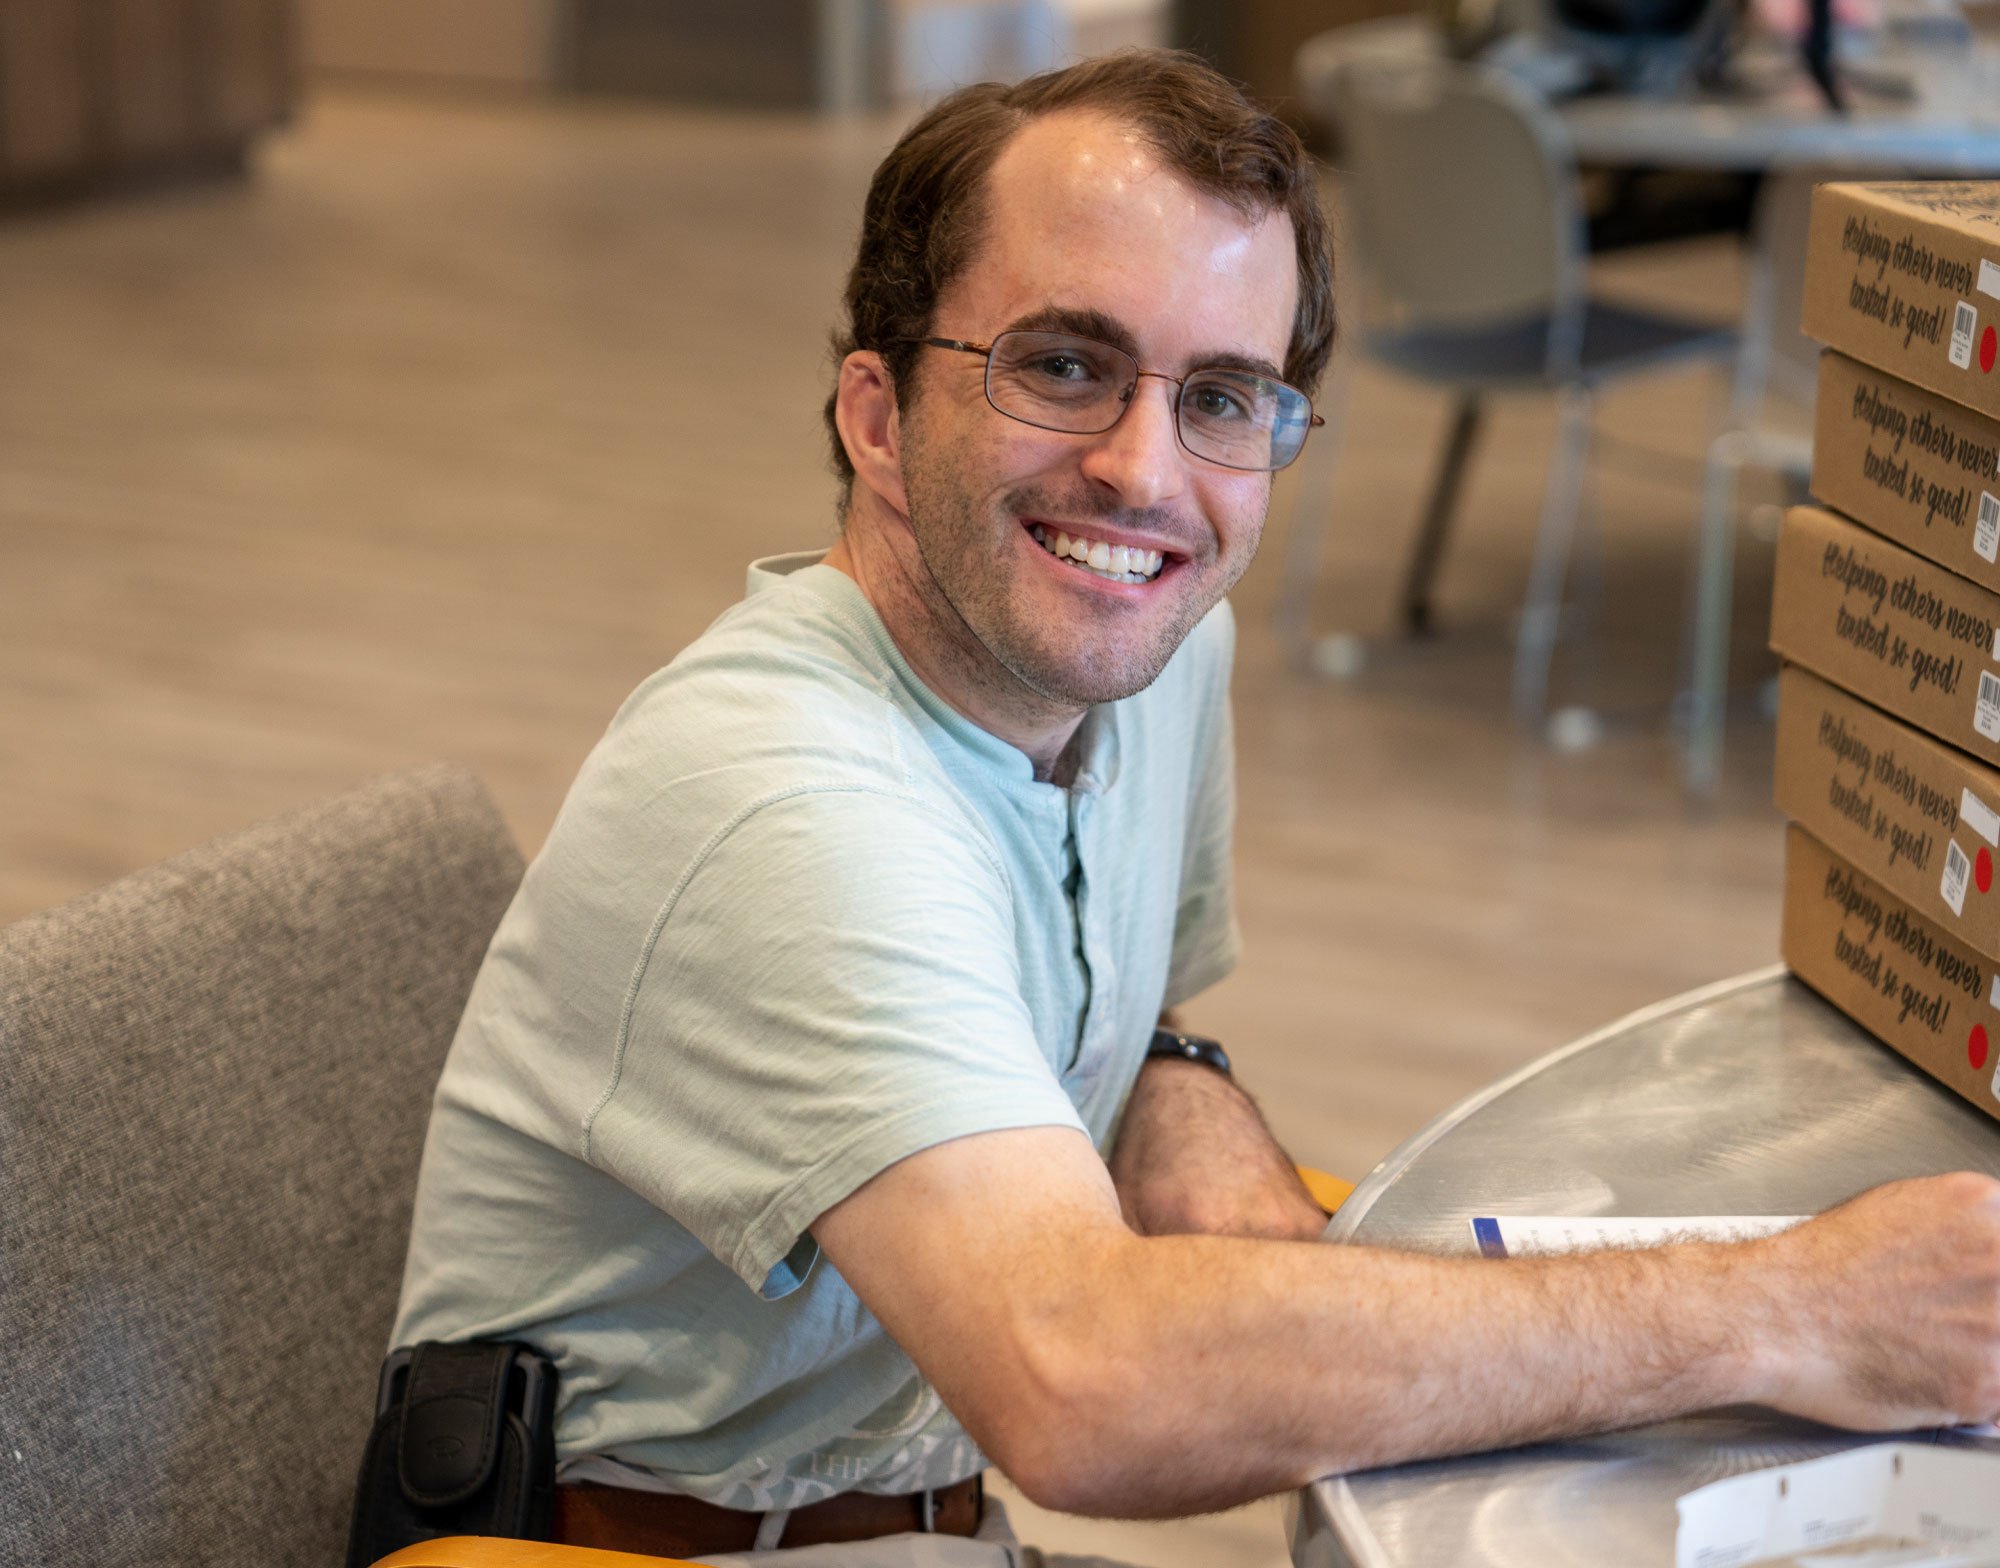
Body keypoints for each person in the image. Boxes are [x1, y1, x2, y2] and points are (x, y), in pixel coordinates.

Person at [388, 46, 2000, 1567]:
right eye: (1066, 366)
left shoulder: (1156, 652)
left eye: (1224, 397)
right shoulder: (778, 802)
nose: (1147, 476)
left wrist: (1179, 1075)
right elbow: (1083, 1388)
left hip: (925, 1519)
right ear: (876, 418)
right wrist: (1796, 1307)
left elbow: (1108, 984)